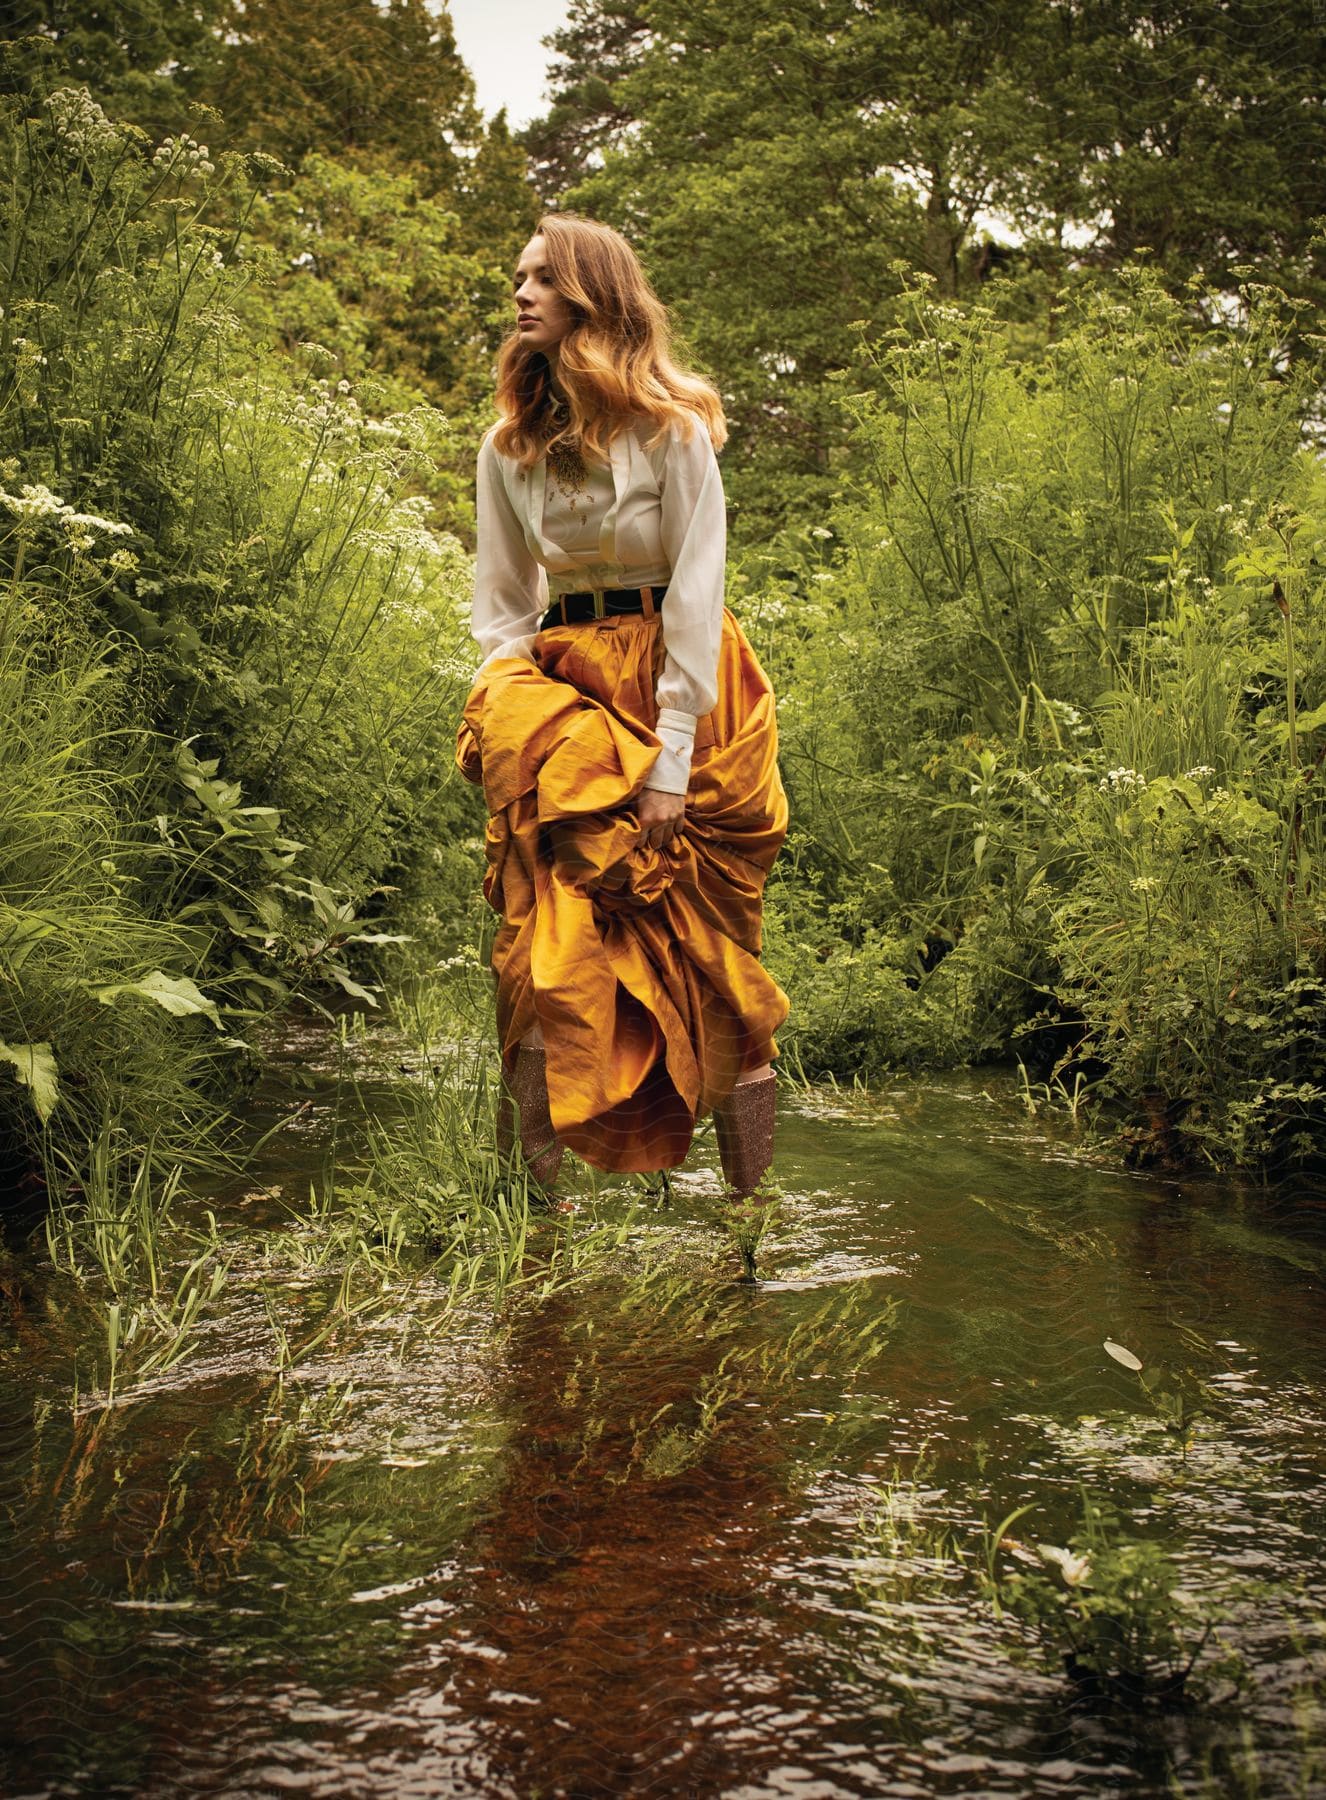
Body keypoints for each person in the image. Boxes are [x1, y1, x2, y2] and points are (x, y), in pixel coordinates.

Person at [454, 212, 789, 1211]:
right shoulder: (508, 446)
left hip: (687, 692)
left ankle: (749, 1225)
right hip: (568, 707)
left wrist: (672, 757)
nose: (520, 295)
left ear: (591, 294)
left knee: (717, 964)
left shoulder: (674, 431)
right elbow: (505, 608)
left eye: (541, 280)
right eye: (519, 279)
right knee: (540, 951)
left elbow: (697, 589)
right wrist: (522, 731)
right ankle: (539, 1231)